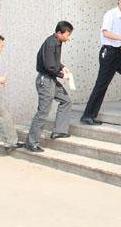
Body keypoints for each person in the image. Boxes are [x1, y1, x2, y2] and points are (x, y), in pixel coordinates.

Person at [25, 21, 74, 153]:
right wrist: (62, 75)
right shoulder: (51, 43)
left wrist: (63, 67)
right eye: (67, 35)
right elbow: (49, 66)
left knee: (66, 101)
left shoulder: (57, 42)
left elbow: (53, 61)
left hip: (51, 79)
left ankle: (59, 131)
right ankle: (31, 142)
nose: (69, 38)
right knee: (43, 112)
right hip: (45, 80)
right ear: (59, 33)